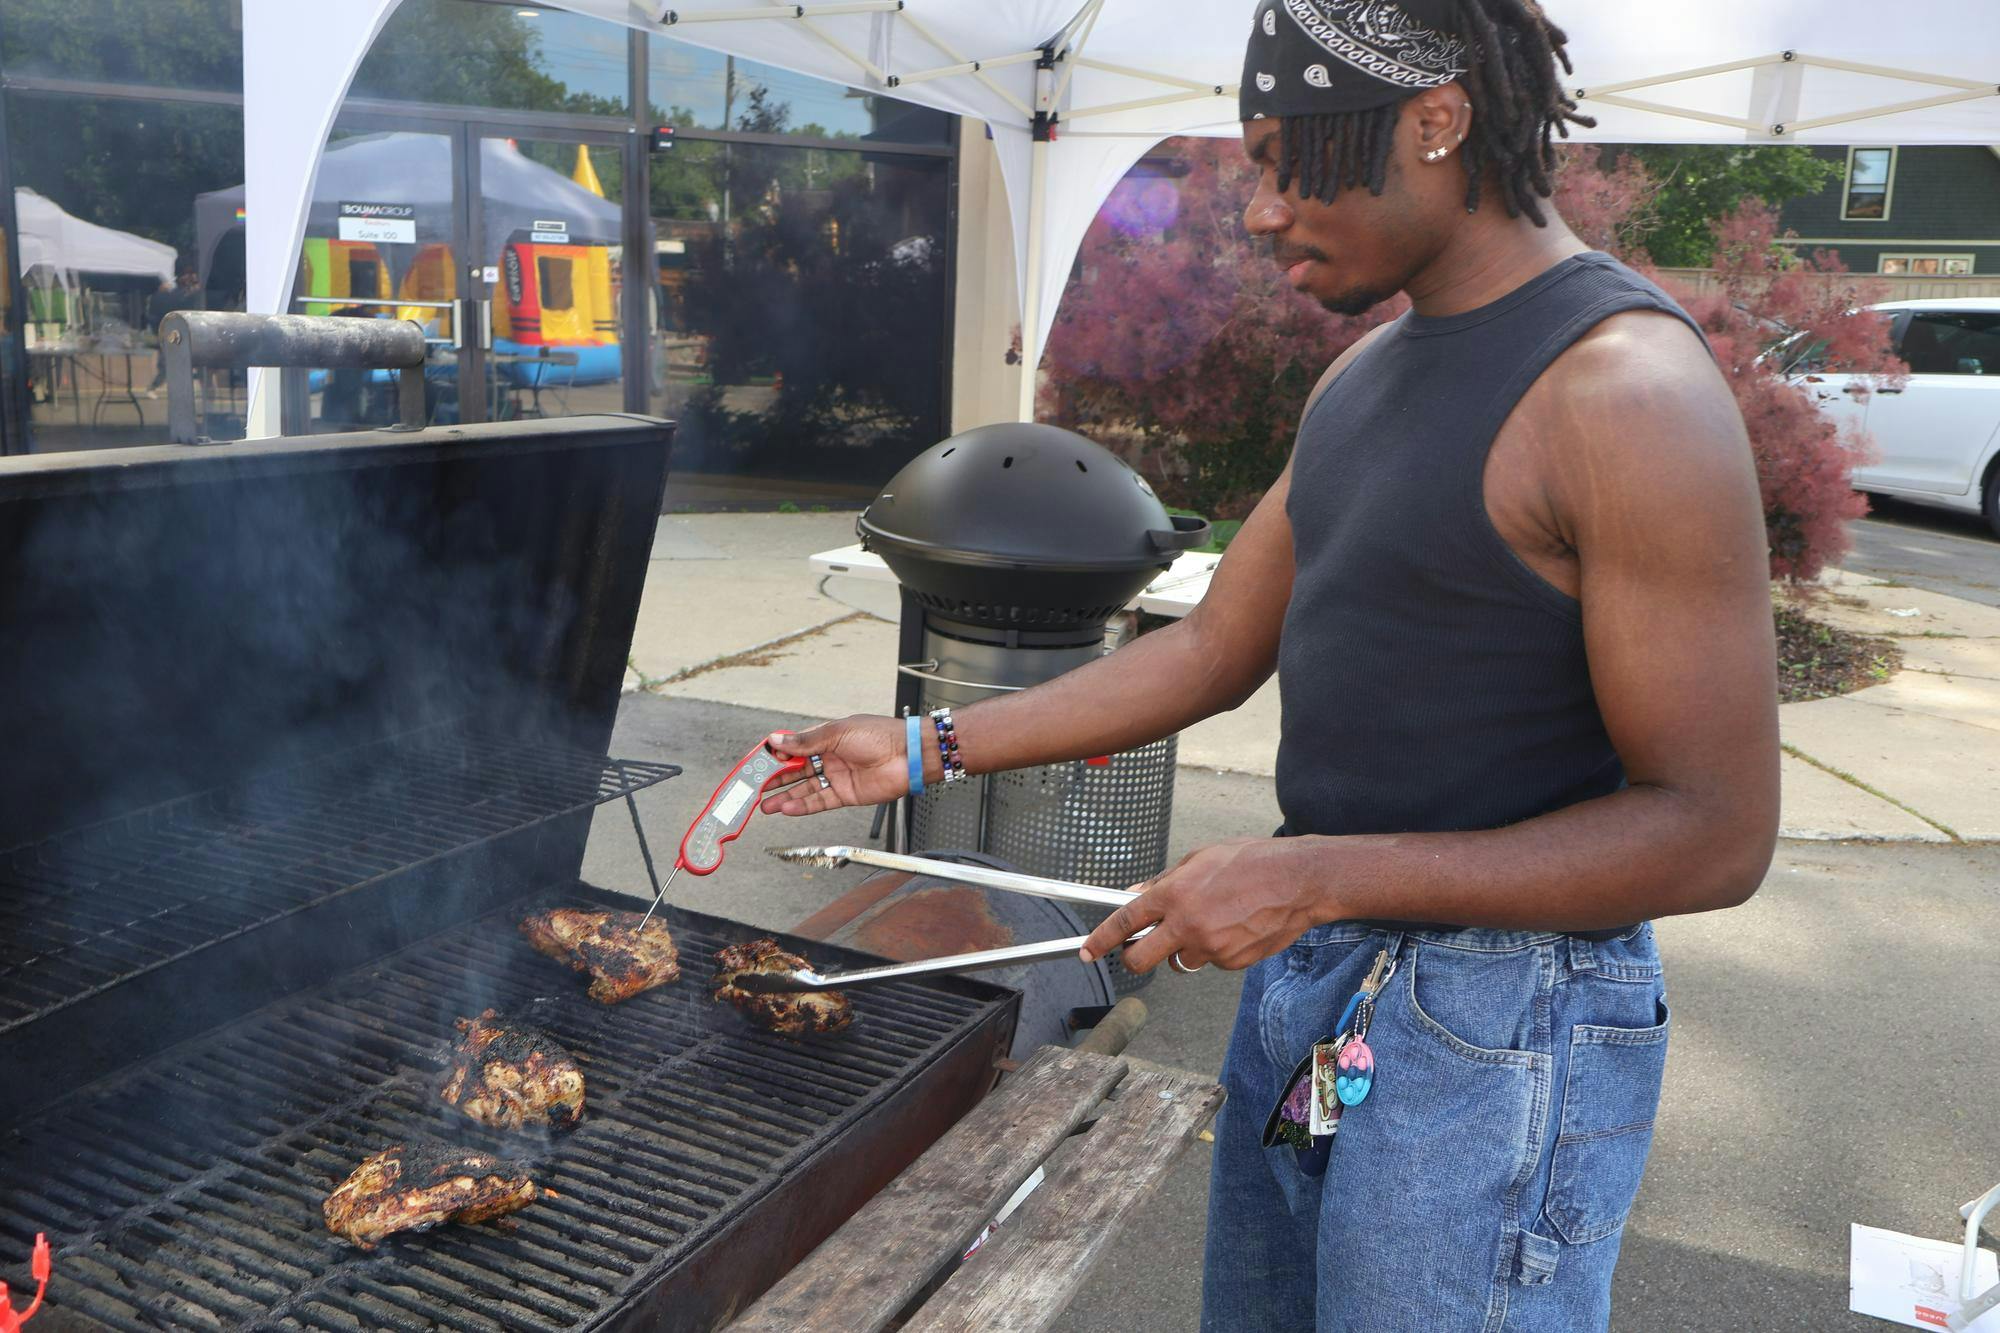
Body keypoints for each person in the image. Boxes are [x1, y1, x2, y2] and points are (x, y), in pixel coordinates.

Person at [759, 0, 1778, 1327]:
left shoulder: (1625, 393)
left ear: (1435, 121)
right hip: (1327, 1005)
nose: (1258, 211)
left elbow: (1714, 833)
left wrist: (1314, 873)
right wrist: (923, 746)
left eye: (1289, 160)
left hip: (1497, 1030)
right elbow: (1213, 646)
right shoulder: (1361, 380)